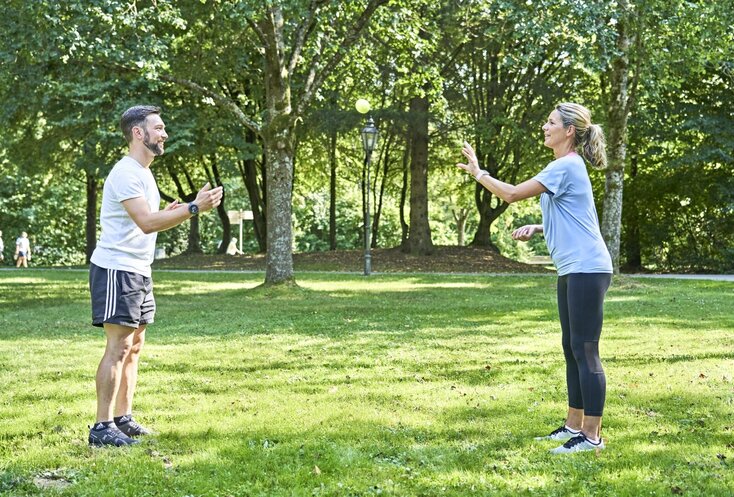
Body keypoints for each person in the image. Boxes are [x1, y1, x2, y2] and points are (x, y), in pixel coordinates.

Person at [456, 102, 613, 454]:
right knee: (572, 348)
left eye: (551, 122)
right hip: (574, 268)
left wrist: (479, 173)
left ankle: (591, 437)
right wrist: (541, 226)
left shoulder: (567, 165)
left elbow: (510, 194)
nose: (545, 126)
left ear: (568, 131)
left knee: (586, 350)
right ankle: (573, 425)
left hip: (587, 268)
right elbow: (577, 215)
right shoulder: (563, 167)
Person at [88, 105, 223, 447]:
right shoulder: (126, 173)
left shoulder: (145, 174)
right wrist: (193, 208)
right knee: (117, 346)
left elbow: (147, 219)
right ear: (138, 133)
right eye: (159, 128)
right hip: (117, 268)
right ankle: (102, 427)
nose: (164, 134)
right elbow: (146, 223)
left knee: (134, 346)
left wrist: (172, 212)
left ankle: (123, 418)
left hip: (138, 269)